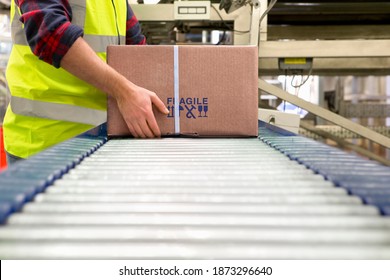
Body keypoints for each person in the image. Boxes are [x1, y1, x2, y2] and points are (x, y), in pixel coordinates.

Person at [3, 0, 168, 164]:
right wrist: (125, 93)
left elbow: (137, 48)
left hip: (101, 141)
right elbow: (50, 34)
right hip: (46, 143)